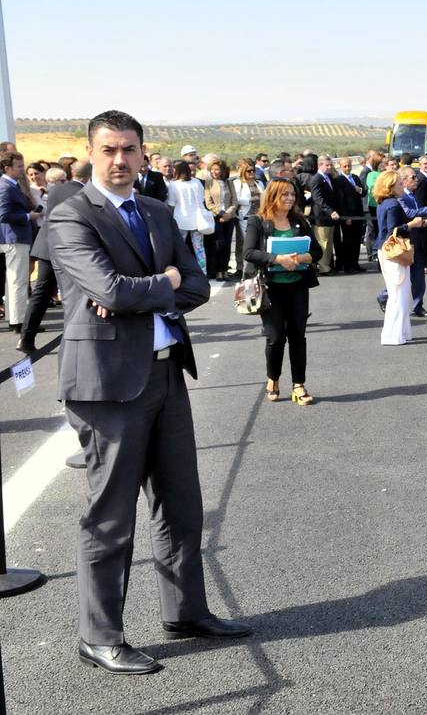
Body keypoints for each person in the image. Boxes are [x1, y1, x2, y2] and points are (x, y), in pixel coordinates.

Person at [47, 110, 250, 676]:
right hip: (108, 385)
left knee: (182, 505)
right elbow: (108, 287)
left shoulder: (158, 212)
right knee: (110, 516)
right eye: (108, 149)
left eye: (129, 149)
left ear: (143, 153)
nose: (119, 160)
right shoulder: (69, 217)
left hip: (165, 373)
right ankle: (99, 635)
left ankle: (186, 611)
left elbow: (201, 285)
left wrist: (147, 292)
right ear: (90, 152)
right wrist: (163, 283)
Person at [243, 178, 321, 405]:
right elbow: (248, 252)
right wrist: (277, 258)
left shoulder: (300, 221)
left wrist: (302, 258)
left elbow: (316, 250)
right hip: (271, 288)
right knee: (275, 338)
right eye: (284, 194)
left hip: (297, 286)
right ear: (273, 195)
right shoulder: (257, 221)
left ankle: (299, 385)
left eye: (292, 195)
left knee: (298, 336)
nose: (289, 198)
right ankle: (273, 378)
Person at [18, 160, 90, 353]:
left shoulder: (55, 190)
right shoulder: (86, 194)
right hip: (69, 248)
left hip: (48, 246)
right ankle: (76, 340)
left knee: (41, 292)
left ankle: (26, 338)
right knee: (75, 292)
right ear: (89, 177)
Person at [374, 171, 427, 345]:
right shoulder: (392, 204)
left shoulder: (384, 202)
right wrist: (412, 224)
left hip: (387, 250)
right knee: (398, 294)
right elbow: (393, 231)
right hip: (393, 252)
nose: (402, 186)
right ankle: (393, 335)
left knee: (400, 293)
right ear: (390, 187)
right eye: (399, 184)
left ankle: (401, 332)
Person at [1, 150, 40, 337]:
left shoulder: (11, 185)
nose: (23, 170)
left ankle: (15, 319)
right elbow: (3, 215)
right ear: (7, 168)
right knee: (18, 280)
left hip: (16, 237)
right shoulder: (5, 187)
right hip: (14, 238)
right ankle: (19, 321)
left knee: (15, 281)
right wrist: (28, 216)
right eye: (19, 166)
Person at [398, 166, 427, 316]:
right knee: (401, 278)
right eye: (413, 177)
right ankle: (384, 296)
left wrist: (424, 221)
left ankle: (418, 306)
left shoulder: (412, 195)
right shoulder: (400, 196)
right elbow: (409, 213)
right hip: (404, 244)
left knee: (419, 277)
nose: (416, 179)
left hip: (417, 242)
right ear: (403, 180)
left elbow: (415, 216)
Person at [167, 160, 211, 274]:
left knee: (180, 247)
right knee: (199, 249)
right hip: (197, 220)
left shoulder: (173, 184)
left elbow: (171, 203)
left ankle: (180, 271)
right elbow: (201, 199)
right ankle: (203, 271)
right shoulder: (196, 182)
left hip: (180, 219)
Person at [300, 154, 339, 275]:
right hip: (321, 217)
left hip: (330, 217)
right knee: (323, 242)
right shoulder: (316, 179)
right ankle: (323, 267)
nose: (329, 167)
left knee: (328, 243)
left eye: (330, 165)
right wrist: (330, 211)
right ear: (320, 165)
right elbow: (318, 199)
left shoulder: (328, 178)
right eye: (327, 165)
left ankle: (327, 265)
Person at [203, 159, 239, 281]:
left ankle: (224, 270)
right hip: (216, 217)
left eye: (217, 169)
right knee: (219, 244)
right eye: (212, 169)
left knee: (228, 244)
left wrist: (229, 213)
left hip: (230, 217)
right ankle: (218, 270)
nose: (214, 172)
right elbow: (209, 202)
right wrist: (220, 214)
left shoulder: (229, 182)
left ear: (223, 170)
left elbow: (235, 200)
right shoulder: (209, 183)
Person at [231, 158, 265, 278]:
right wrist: (251, 200)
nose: (251, 173)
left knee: (258, 243)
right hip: (244, 217)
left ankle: (255, 268)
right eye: (249, 171)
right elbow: (235, 199)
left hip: (259, 217)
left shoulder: (259, 183)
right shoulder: (237, 184)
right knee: (245, 244)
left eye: (253, 171)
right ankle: (243, 269)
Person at [333, 156, 366, 274]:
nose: (347, 168)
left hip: (358, 213)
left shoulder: (355, 178)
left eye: (349, 165)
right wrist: (346, 217)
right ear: (341, 167)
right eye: (345, 166)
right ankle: (347, 265)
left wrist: (360, 190)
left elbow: (364, 192)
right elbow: (341, 200)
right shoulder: (338, 180)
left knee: (357, 240)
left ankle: (355, 263)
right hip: (348, 215)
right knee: (348, 241)